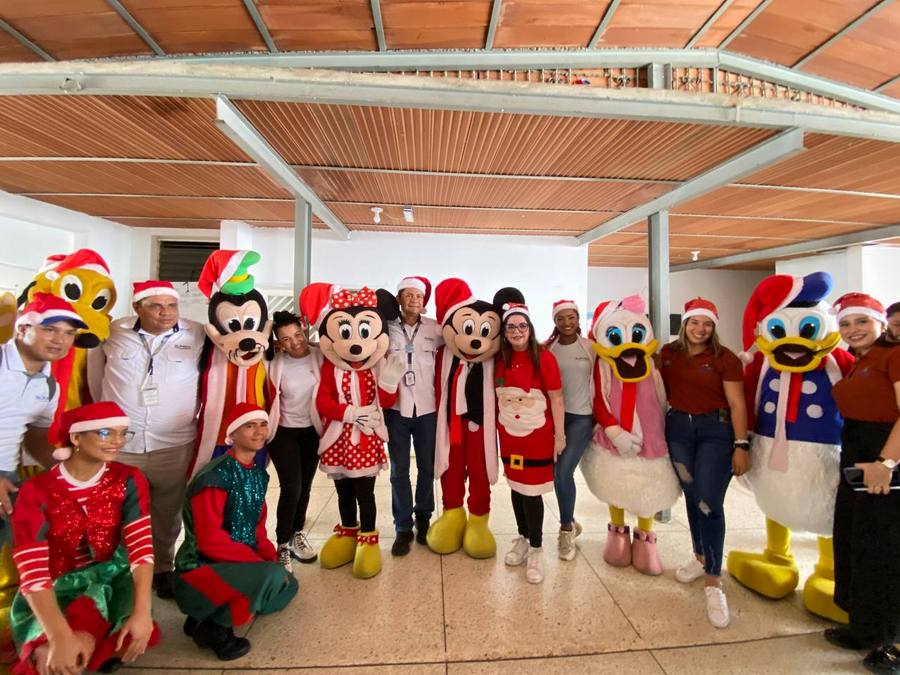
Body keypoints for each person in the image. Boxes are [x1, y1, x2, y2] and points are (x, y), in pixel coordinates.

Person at [9, 401, 160, 675]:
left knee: (121, 636)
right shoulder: (35, 491)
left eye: (122, 433)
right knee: (55, 660)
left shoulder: (129, 478)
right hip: (54, 589)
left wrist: (141, 612)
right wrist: (58, 636)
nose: (117, 441)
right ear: (76, 437)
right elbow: (33, 571)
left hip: (112, 581)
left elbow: (140, 548)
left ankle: (100, 641)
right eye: (105, 433)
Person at [87, 280, 204, 600]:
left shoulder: (195, 333)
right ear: (137, 307)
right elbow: (95, 379)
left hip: (174, 442)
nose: (166, 312)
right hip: (121, 444)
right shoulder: (113, 332)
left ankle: (163, 567)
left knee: (168, 511)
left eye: (171, 305)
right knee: (118, 511)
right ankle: (121, 569)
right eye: (156, 306)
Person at [173, 403, 298, 661]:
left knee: (288, 584)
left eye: (263, 425)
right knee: (271, 577)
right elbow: (209, 541)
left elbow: (258, 530)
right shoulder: (215, 477)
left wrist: (271, 561)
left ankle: (203, 614)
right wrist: (261, 568)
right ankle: (215, 630)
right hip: (202, 566)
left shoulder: (258, 475)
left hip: (238, 562)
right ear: (233, 434)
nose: (259, 432)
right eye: (249, 426)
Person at [0, 293, 86, 649]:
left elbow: (34, 437)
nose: (60, 339)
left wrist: (69, 467)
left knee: (19, 557)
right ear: (22, 327)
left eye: (68, 333)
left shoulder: (48, 383)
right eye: (50, 329)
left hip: (8, 477)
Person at [658, 298, 748, 629]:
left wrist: (741, 444)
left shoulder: (724, 359)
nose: (700, 329)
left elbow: (737, 404)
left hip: (716, 431)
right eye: (694, 323)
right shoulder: (668, 355)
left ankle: (714, 580)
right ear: (685, 325)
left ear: (714, 327)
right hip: (679, 430)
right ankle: (700, 556)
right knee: (692, 493)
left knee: (710, 501)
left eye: (706, 324)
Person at [827, 292, 900, 674]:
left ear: (880, 323)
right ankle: (863, 628)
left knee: (886, 549)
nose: (853, 330)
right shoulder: (860, 361)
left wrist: (886, 462)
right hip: (856, 449)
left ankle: (891, 642)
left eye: (861, 322)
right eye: (845, 324)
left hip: (883, 454)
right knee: (856, 539)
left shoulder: (895, 354)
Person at [495, 302, 565, 584]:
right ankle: (523, 538)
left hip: (537, 436)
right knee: (515, 485)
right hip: (509, 435)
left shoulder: (544, 358)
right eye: (511, 327)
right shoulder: (500, 358)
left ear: (530, 328)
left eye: (522, 326)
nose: (517, 331)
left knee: (531, 491)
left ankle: (537, 548)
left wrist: (559, 436)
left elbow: (557, 398)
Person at [385, 276, 442, 556]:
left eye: (419, 296)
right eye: (408, 295)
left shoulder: (435, 329)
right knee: (399, 472)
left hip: (427, 409)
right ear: (398, 299)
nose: (414, 301)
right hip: (396, 409)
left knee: (427, 469)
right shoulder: (385, 329)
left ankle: (424, 518)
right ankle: (403, 527)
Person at [267, 310, 322, 570]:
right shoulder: (275, 363)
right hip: (283, 431)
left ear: (304, 331)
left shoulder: (321, 355)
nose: (294, 342)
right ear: (278, 342)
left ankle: (297, 533)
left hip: (312, 430)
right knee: (292, 486)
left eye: (297, 335)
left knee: (307, 484)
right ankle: (282, 544)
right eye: (286, 339)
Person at [545, 299, 595, 561]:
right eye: (561, 319)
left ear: (578, 319)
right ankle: (570, 519)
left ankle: (566, 530)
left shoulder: (590, 348)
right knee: (556, 473)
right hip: (555, 418)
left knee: (563, 473)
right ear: (555, 321)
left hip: (582, 418)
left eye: (571, 318)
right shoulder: (547, 349)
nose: (567, 323)